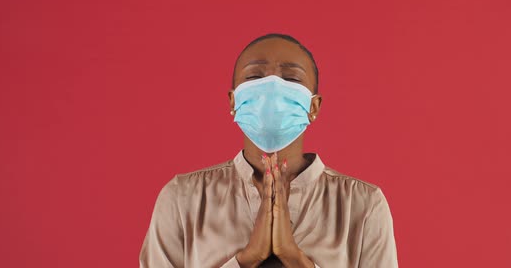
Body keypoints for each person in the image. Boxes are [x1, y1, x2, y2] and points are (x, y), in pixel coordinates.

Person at [139, 33, 398, 267]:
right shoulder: (183, 199)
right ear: (233, 100)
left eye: (291, 78)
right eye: (254, 77)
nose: (272, 86)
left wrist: (294, 258)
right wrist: (246, 258)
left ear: (314, 107)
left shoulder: (363, 206)